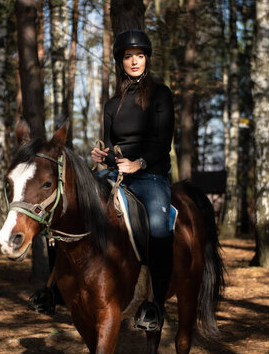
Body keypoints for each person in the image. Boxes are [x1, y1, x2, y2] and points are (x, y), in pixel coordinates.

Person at [91, 29, 175, 332]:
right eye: (128, 56)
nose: (134, 61)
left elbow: (163, 142)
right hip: (116, 174)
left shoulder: (161, 94)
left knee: (157, 227)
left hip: (150, 175)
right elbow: (109, 143)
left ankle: (156, 305)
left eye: (139, 55)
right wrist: (101, 155)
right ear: (121, 62)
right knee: (76, 210)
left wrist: (139, 163)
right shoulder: (112, 104)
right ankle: (55, 289)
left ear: (147, 59)